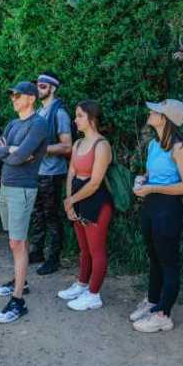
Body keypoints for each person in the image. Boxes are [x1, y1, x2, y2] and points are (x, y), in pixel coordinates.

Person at [130, 100, 183, 333]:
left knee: (168, 262)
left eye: (155, 110)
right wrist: (142, 180)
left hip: (168, 209)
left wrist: (152, 189)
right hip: (150, 206)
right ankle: (152, 301)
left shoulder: (180, 147)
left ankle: (163, 314)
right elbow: (150, 174)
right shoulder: (153, 145)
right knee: (154, 258)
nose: (150, 111)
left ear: (165, 118)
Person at [0, 82, 49, 324]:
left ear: (31, 98)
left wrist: (11, 152)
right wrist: (10, 151)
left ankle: (18, 301)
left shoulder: (39, 124)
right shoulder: (13, 123)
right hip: (6, 186)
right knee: (18, 239)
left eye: (17, 95)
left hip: (22, 189)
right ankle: (20, 282)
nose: (13, 98)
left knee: (16, 242)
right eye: (12, 95)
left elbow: (20, 157)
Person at [58, 100, 114, 311]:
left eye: (79, 115)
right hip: (77, 199)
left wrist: (71, 200)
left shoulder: (102, 145)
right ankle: (82, 284)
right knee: (84, 249)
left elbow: (95, 182)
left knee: (96, 250)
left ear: (91, 119)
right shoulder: (78, 143)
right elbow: (71, 172)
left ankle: (94, 294)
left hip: (96, 202)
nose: (75, 119)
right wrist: (69, 202)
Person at [30, 72, 73, 275]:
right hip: (38, 170)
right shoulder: (40, 111)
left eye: (43, 86)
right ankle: (37, 251)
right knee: (37, 213)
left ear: (53, 88)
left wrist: (41, 149)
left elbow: (67, 146)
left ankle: (53, 258)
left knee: (52, 215)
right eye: (38, 85)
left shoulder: (60, 113)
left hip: (52, 172)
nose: (39, 89)